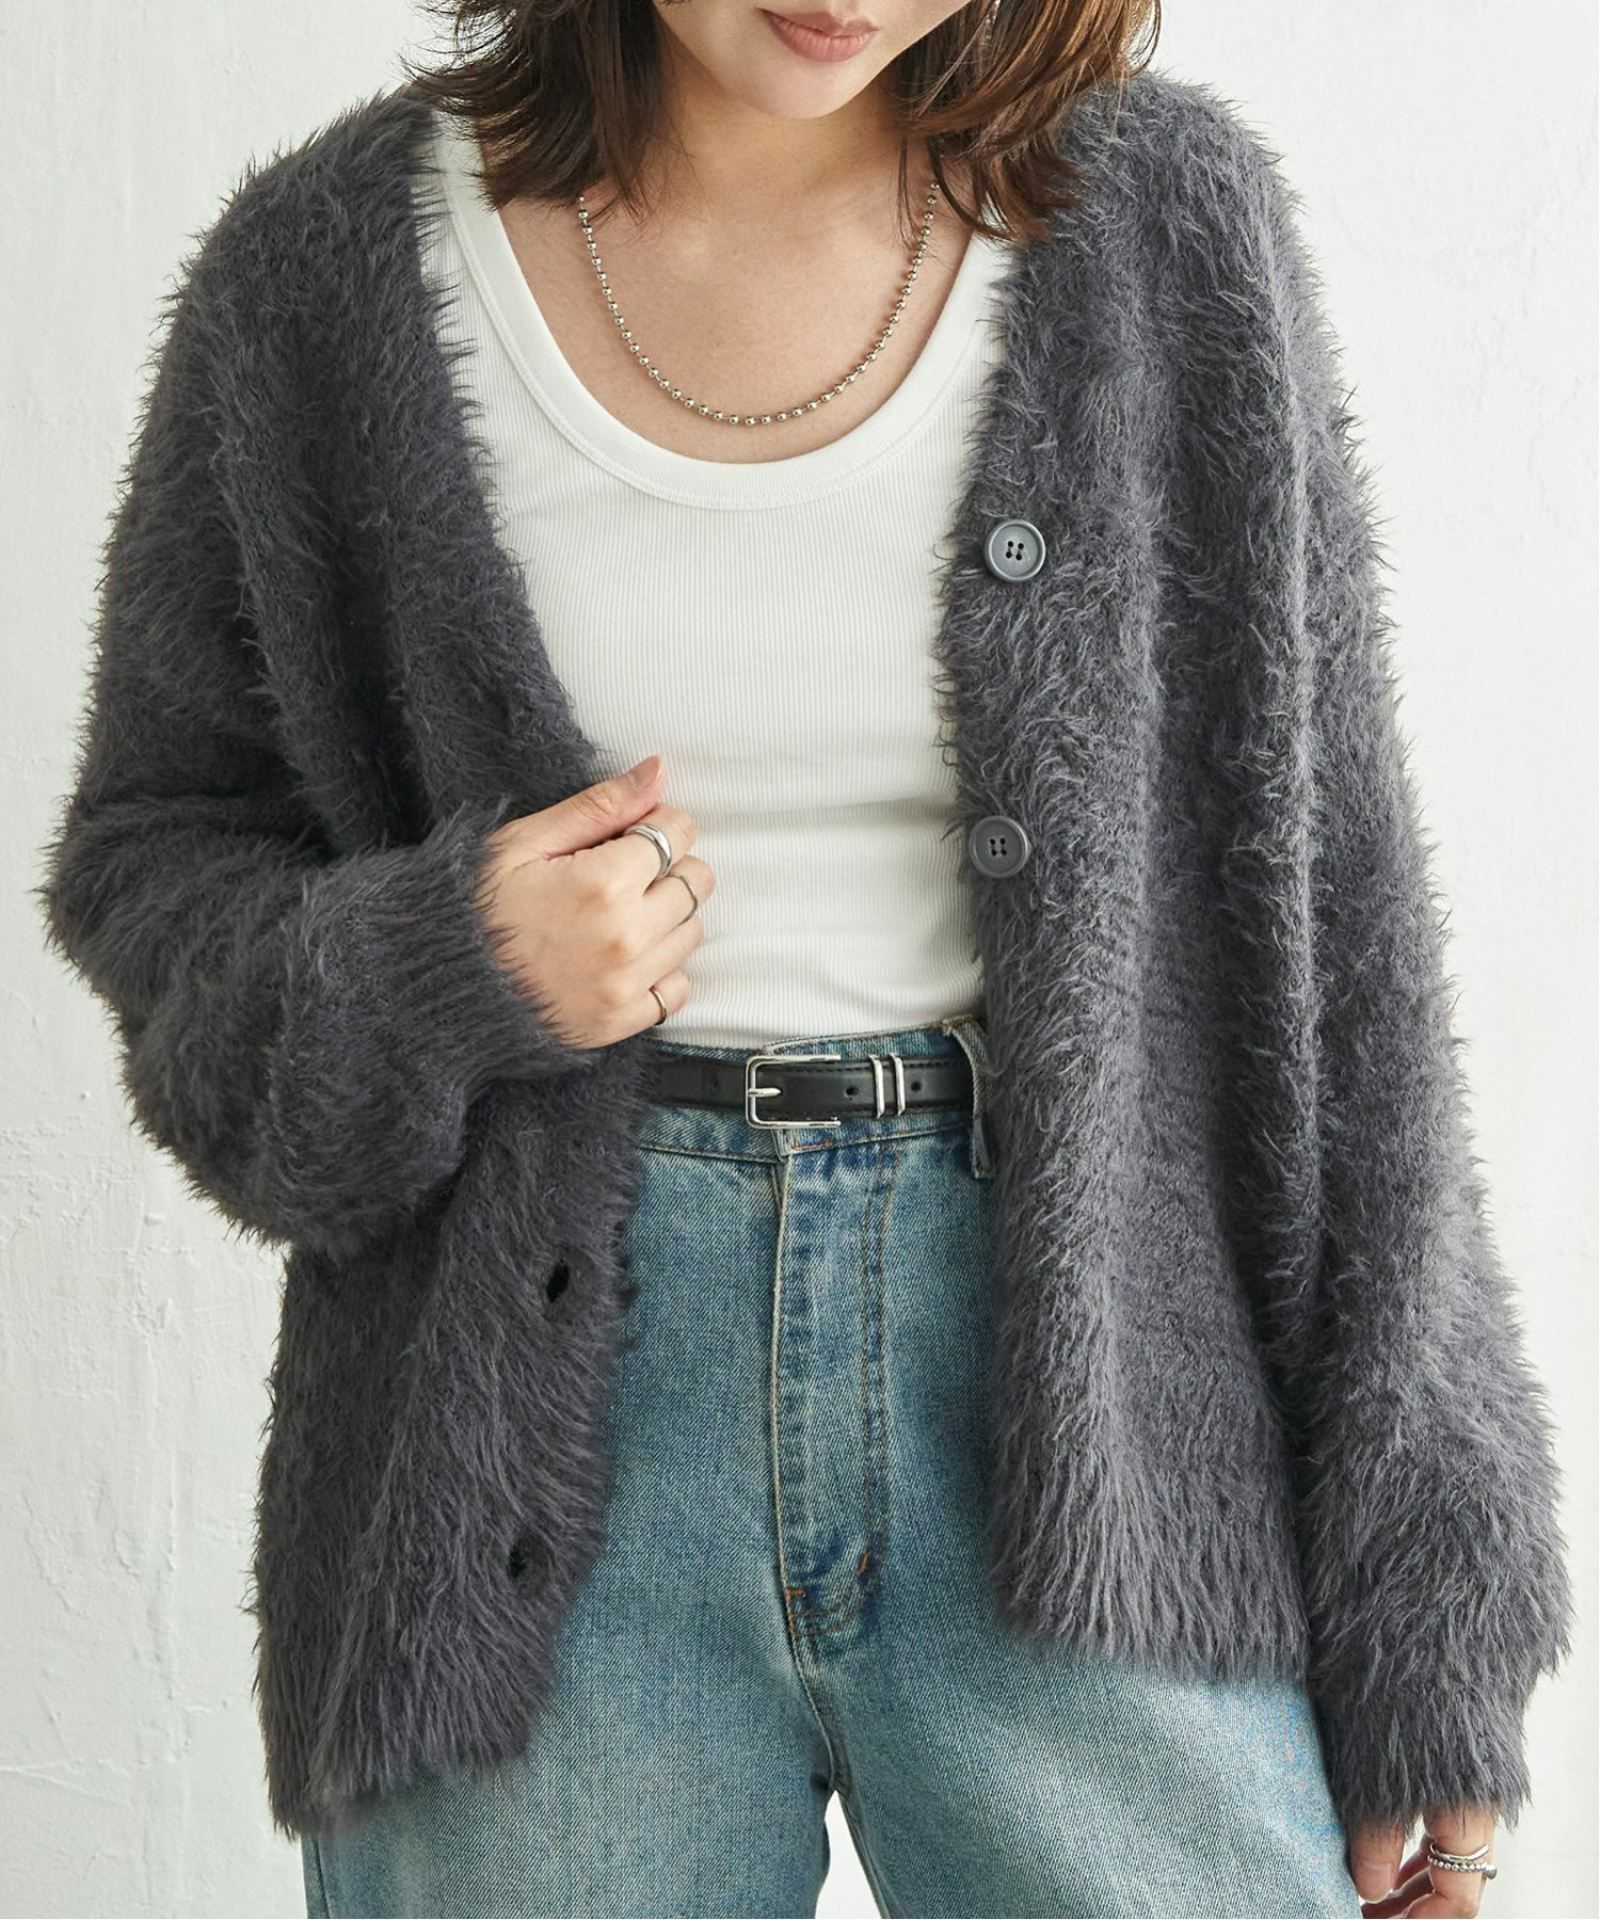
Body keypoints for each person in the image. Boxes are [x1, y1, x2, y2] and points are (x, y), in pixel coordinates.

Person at [36, 1, 1572, 1915]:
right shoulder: (324, 277)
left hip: (1094, 1413)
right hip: (523, 1470)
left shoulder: (1162, 229)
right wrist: (441, 962)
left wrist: (1430, 1616)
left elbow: (1340, 940)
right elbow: (156, 856)